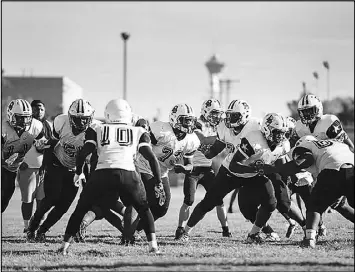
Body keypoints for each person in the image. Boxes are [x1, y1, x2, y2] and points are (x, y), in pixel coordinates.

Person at [58, 98, 162, 255]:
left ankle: (65, 247)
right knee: (144, 209)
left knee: (80, 209)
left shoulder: (97, 129)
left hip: (102, 173)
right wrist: (159, 182)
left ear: (107, 114)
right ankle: (153, 246)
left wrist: (79, 172)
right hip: (128, 173)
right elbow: (152, 158)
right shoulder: (139, 131)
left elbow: (84, 152)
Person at [176, 100, 284, 243]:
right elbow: (216, 150)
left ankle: (260, 232)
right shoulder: (223, 128)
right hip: (230, 171)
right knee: (209, 201)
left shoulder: (255, 125)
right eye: (229, 115)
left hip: (253, 172)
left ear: (245, 116)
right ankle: (186, 231)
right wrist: (204, 150)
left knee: (269, 202)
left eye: (234, 116)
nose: (229, 119)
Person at [260, 135, 354, 248]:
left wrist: (276, 169)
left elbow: (306, 160)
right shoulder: (335, 144)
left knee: (315, 205)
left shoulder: (305, 145)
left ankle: (309, 238)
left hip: (332, 170)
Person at [26, 98, 96, 242]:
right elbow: (51, 144)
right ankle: (32, 228)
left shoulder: (95, 129)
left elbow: (92, 158)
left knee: (63, 206)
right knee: (50, 199)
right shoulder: (61, 122)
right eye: (78, 118)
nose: (82, 122)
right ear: (70, 117)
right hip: (57, 164)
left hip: (76, 170)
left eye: (85, 119)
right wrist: (45, 164)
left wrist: (88, 179)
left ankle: (42, 231)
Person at [131, 103, 200, 238]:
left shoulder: (192, 140)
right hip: (143, 166)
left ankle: (137, 228)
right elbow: (142, 143)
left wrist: (185, 169)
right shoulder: (161, 129)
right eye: (186, 120)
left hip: (162, 172)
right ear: (175, 119)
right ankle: (130, 230)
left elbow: (190, 164)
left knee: (162, 208)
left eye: (191, 120)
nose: (189, 124)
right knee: (145, 201)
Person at [290, 94, 355, 234]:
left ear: (318, 109)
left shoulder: (329, 121)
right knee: (315, 198)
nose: (306, 114)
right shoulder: (299, 127)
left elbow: (347, 147)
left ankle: (312, 233)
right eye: (304, 111)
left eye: (310, 110)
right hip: (315, 165)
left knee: (340, 203)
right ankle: (316, 229)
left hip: (337, 163)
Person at [174, 99, 231, 240]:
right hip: (193, 168)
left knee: (218, 200)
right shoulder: (197, 123)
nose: (216, 117)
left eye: (218, 114)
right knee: (189, 200)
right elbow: (204, 140)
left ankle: (226, 229)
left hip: (207, 168)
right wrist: (222, 139)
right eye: (213, 113)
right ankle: (180, 228)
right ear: (205, 112)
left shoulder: (217, 127)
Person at [2, 99, 49, 214]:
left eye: (27, 117)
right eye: (20, 117)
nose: (24, 121)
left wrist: (41, 146)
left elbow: (41, 144)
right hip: (3, 165)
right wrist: (4, 161)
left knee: (6, 195)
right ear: (11, 116)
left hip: (11, 169)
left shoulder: (36, 126)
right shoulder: (3, 129)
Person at [17, 100, 53, 233]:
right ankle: (27, 227)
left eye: (41, 109)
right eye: (36, 109)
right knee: (28, 200)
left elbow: (53, 146)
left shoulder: (48, 126)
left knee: (42, 201)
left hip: (45, 169)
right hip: (28, 168)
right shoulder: (24, 125)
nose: (39, 112)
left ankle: (39, 226)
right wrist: (20, 162)